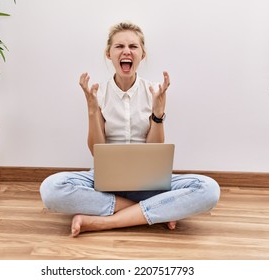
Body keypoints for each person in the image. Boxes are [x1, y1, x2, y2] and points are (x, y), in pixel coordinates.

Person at [40, 21, 220, 237]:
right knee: (51, 189)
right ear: (109, 53)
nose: (127, 51)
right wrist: (92, 111)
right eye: (119, 46)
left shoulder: (153, 92)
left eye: (133, 47)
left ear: (142, 54)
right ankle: (156, 209)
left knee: (209, 189)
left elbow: (155, 150)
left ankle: (105, 222)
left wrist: (158, 113)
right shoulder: (99, 93)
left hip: (148, 181)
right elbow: (96, 153)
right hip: (105, 180)